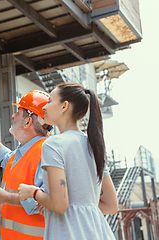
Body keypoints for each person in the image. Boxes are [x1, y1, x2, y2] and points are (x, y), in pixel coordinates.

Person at [18, 82, 118, 240]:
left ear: (64, 106)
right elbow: (111, 205)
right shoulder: (95, 147)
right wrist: (55, 206)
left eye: (50, 101)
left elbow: (59, 204)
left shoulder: (53, 144)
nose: (44, 107)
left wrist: (33, 192)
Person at [0, 90, 53, 240]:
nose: (13, 115)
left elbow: (45, 201)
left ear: (27, 122)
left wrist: (7, 198)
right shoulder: (24, 151)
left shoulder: (46, 152)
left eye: (18, 112)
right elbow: (4, 156)